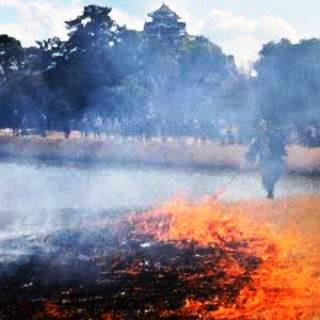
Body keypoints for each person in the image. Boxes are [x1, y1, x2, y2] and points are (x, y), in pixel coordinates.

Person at [246, 119, 287, 199]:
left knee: (275, 175)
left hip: (276, 159)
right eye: (260, 127)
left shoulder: (275, 135)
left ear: (268, 126)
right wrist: (250, 156)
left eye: (263, 126)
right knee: (267, 177)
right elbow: (253, 148)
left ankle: (269, 188)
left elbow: (280, 145)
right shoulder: (257, 138)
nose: (262, 128)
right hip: (264, 161)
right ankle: (269, 193)